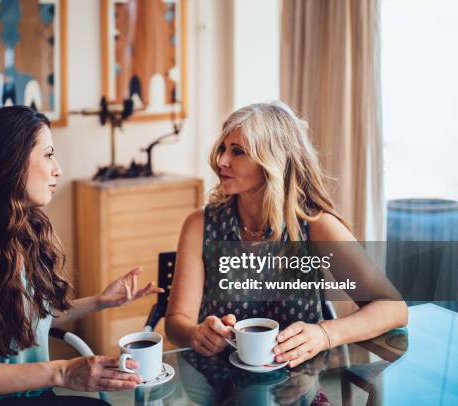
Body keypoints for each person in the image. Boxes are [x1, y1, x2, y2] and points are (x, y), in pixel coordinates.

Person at [0, 106, 162, 405]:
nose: (57, 168)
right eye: (48, 155)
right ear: (11, 162)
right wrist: (62, 372)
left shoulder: (21, 230)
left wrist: (101, 301)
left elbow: (30, 315)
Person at [164, 101, 407, 368]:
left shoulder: (315, 225)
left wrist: (326, 334)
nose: (221, 160)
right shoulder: (199, 225)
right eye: (223, 148)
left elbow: (393, 308)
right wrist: (195, 333)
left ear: (273, 161)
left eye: (237, 151)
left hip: (298, 386)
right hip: (216, 384)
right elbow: (176, 323)